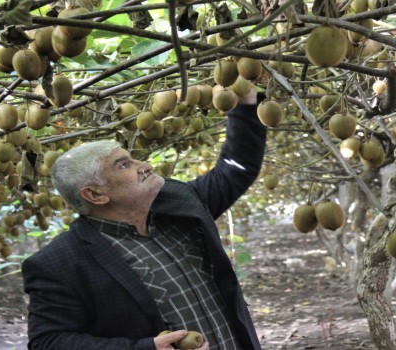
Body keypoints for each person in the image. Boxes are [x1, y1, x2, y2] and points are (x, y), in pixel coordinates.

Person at [22, 90, 266, 350]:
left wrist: (244, 105)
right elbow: (49, 342)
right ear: (95, 194)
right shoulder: (59, 264)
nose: (145, 165)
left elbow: (236, 169)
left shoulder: (181, 206)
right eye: (123, 165)